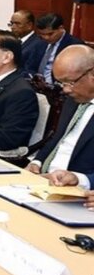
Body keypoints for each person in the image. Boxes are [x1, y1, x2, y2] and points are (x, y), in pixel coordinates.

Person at [27, 45, 94, 188]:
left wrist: (81, 179)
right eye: (60, 83)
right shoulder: (73, 99)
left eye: (70, 82)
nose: (65, 89)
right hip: (42, 182)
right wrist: (37, 162)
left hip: (76, 192)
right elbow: (58, 138)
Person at [34, 13, 84, 84]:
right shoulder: (39, 42)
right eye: (42, 34)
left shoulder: (75, 45)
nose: (46, 37)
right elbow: (30, 66)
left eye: (50, 34)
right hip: (37, 86)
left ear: (61, 28)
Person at [9, 10, 42, 76]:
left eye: (17, 24)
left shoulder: (38, 44)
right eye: (11, 23)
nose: (13, 27)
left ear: (29, 25)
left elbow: (29, 71)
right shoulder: (12, 40)